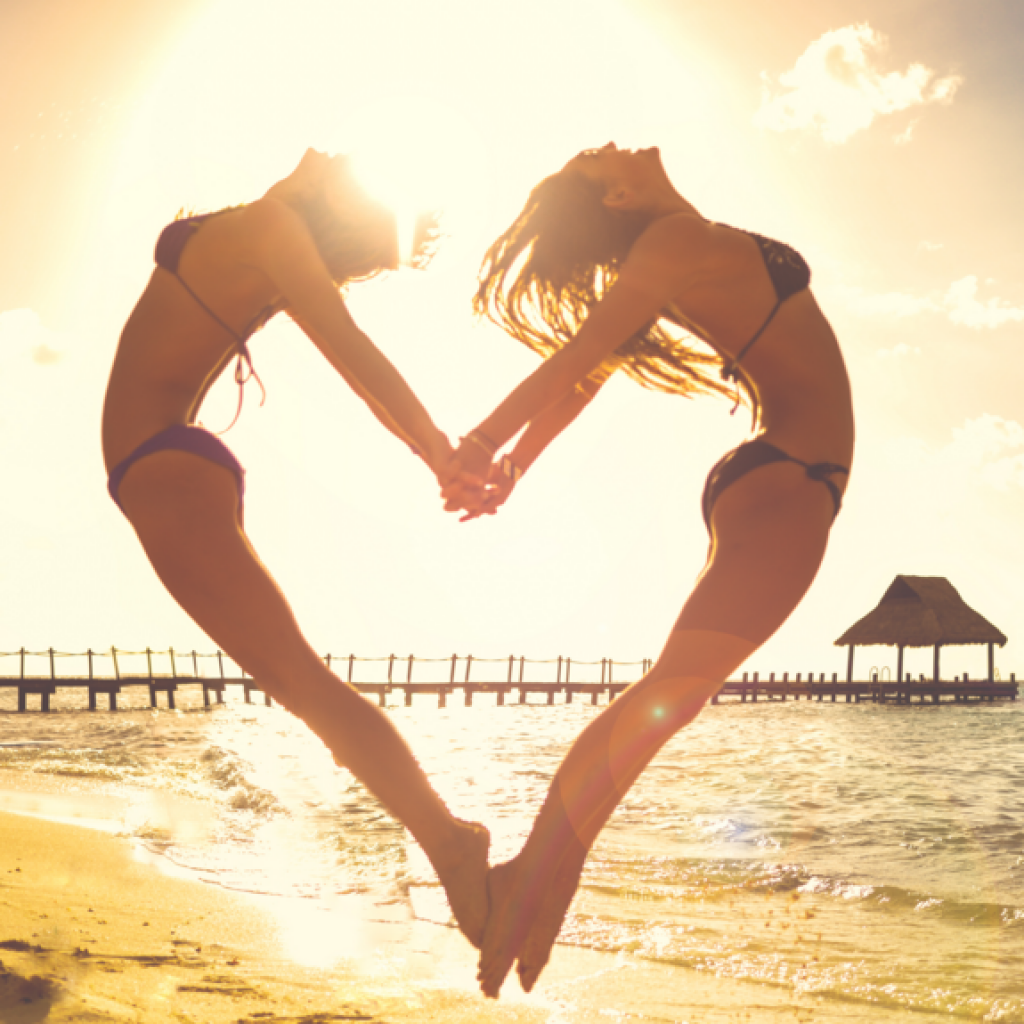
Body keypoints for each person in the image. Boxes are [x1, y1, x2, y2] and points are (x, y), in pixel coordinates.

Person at [442, 143, 854, 996]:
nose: (603, 147)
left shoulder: (678, 240)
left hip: (777, 476)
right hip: (793, 477)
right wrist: (484, 443)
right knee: (670, 696)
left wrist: (515, 465)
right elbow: (577, 356)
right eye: (595, 164)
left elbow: (587, 375)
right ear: (621, 195)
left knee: (671, 697)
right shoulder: (669, 240)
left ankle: (544, 875)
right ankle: (535, 871)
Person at [102, 149, 490, 946]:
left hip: (163, 467)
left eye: (347, 165)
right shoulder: (266, 225)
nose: (334, 152)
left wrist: (438, 451)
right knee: (297, 683)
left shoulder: (276, 230)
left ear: (330, 201)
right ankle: (443, 839)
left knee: (302, 684)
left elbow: (353, 354)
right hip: (163, 467)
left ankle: (450, 843)